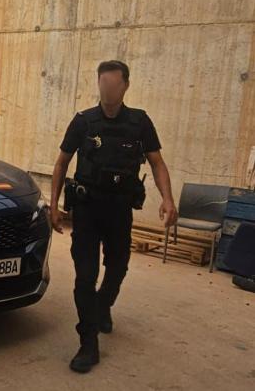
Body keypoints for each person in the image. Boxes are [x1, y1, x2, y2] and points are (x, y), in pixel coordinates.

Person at [49, 60, 178, 373]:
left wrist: (168, 199)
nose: (107, 90)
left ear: (125, 86)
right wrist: (53, 205)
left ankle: (103, 304)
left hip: (119, 209)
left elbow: (157, 162)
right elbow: (61, 163)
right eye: (102, 84)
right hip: (87, 209)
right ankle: (88, 343)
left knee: (118, 266)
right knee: (85, 275)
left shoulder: (139, 122)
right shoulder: (83, 122)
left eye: (113, 84)